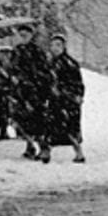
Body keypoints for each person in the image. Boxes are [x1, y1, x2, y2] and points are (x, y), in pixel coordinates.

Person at [10, 24, 53, 163]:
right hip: (20, 91)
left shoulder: (37, 52)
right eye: (20, 35)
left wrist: (32, 82)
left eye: (25, 35)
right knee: (21, 121)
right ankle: (30, 146)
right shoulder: (16, 51)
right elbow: (13, 68)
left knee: (36, 121)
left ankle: (44, 147)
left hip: (34, 91)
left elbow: (43, 73)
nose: (23, 38)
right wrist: (13, 77)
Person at [47, 33, 86, 163]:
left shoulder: (70, 63)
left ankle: (78, 152)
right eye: (52, 45)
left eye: (58, 45)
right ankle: (46, 151)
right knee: (51, 126)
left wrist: (73, 94)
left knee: (70, 127)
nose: (55, 48)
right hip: (54, 100)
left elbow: (78, 82)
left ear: (64, 46)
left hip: (68, 100)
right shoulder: (50, 63)